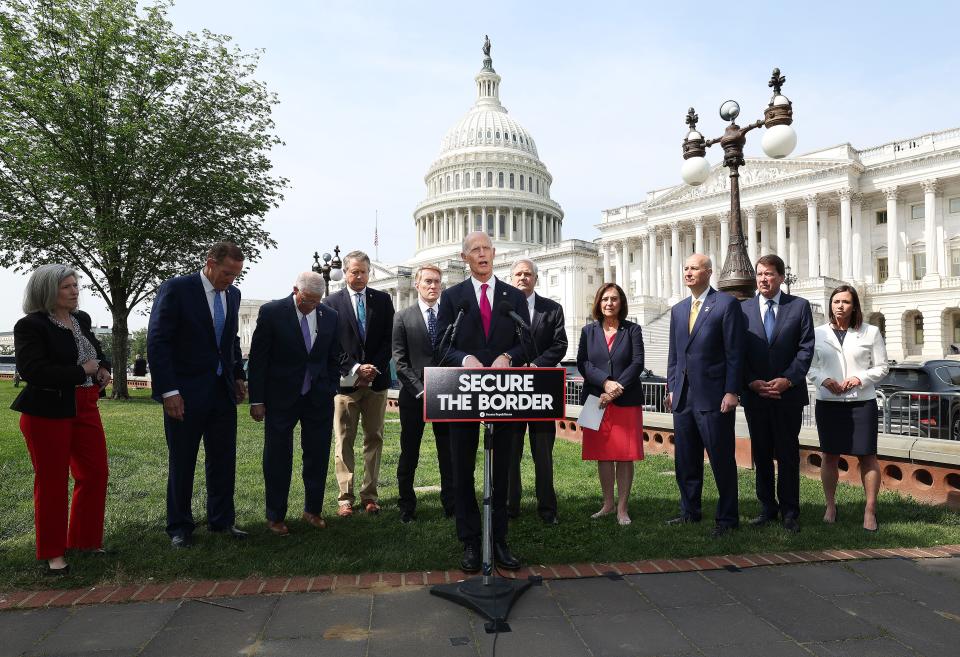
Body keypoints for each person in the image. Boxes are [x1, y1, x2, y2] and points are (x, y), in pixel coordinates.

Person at [435, 231, 528, 573]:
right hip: (463, 393)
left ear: (494, 253)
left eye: (487, 248)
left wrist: (508, 355)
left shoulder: (513, 297)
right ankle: (471, 542)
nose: (483, 254)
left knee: (502, 469)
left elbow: (526, 343)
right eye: (476, 250)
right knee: (463, 469)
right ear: (465, 258)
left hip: (504, 393)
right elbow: (442, 345)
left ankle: (500, 540)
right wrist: (464, 360)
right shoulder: (452, 298)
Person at [12, 264, 112, 575]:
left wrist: (103, 368)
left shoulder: (80, 320)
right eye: (66, 286)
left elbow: (93, 351)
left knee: (95, 473)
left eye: (75, 285)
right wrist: (82, 372)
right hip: (47, 411)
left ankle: (85, 540)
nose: (74, 291)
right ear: (47, 291)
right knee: (52, 482)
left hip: (86, 406)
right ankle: (54, 553)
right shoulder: (31, 326)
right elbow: (33, 370)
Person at [147, 242, 248, 549]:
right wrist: (169, 391)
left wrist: (239, 376)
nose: (230, 280)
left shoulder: (233, 294)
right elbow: (158, 342)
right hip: (184, 393)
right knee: (183, 460)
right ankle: (179, 526)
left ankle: (221, 521)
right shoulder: (176, 289)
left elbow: (230, 340)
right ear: (210, 263)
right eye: (227, 272)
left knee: (223, 459)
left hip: (221, 394)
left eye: (236, 275)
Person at [247, 271, 342, 535]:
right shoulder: (272, 313)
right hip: (280, 398)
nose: (311, 305)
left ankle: (313, 510)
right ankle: (275, 515)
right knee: (278, 457)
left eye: (316, 301)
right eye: (307, 300)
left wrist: (331, 385)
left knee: (317, 455)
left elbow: (334, 356)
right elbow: (258, 359)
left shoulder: (330, 316)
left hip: (318, 397)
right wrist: (257, 399)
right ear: (295, 290)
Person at [666, 253, 744, 538]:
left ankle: (727, 518)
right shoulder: (678, 310)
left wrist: (732, 390)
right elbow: (675, 355)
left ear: (709, 272)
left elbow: (735, 353)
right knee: (686, 459)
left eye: (694, 268)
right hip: (683, 398)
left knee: (721, 459)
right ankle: (690, 511)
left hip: (714, 397)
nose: (688, 272)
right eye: (685, 268)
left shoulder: (726, 304)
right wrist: (671, 388)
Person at [740, 255, 814, 533]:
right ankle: (767, 507)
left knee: (787, 454)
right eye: (759, 274)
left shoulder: (799, 307)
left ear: (782, 277)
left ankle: (790, 511)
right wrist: (750, 382)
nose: (763, 279)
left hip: (788, 395)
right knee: (760, 453)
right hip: (756, 395)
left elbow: (806, 348)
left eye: (769, 274)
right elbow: (738, 352)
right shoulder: (743, 310)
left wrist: (788, 379)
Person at [807, 284, 888, 532]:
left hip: (861, 402)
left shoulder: (870, 332)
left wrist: (860, 378)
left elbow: (882, 367)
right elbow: (809, 367)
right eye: (836, 301)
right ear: (831, 305)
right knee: (829, 456)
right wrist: (824, 380)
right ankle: (830, 506)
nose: (840, 306)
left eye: (846, 302)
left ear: (855, 306)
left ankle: (870, 510)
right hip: (829, 402)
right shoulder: (818, 333)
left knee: (867, 457)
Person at [323, 250, 395, 517]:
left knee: (374, 438)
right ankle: (345, 497)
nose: (360, 276)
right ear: (345, 273)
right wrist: (354, 368)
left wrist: (372, 368)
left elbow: (390, 339)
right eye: (354, 272)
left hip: (376, 382)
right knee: (344, 439)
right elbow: (331, 343)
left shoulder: (383, 300)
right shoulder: (331, 302)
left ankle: (370, 495)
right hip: (345, 384)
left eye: (364, 271)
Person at [577, 283, 644, 526]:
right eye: (605, 299)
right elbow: (583, 363)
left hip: (626, 399)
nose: (609, 303)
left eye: (614, 299)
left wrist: (615, 389)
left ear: (621, 303)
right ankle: (607, 504)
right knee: (602, 455)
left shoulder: (633, 330)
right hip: (595, 399)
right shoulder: (588, 331)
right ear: (598, 302)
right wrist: (605, 384)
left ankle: (622, 508)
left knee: (625, 455)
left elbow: (637, 363)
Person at [391, 264, 455, 523]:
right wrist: (420, 391)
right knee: (410, 452)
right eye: (428, 281)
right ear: (417, 284)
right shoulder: (402, 317)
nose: (433, 286)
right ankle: (406, 505)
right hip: (413, 396)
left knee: (448, 454)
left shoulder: (450, 317)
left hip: (445, 394)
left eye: (437, 282)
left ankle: (451, 503)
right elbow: (400, 360)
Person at [507, 258, 567, 524]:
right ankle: (510, 506)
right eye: (518, 274)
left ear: (535, 278)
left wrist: (536, 364)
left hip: (542, 389)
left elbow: (560, 344)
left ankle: (547, 509)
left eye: (528, 274)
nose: (523, 278)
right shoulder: (502, 310)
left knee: (543, 453)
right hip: (510, 390)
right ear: (512, 278)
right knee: (511, 453)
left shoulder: (552, 309)